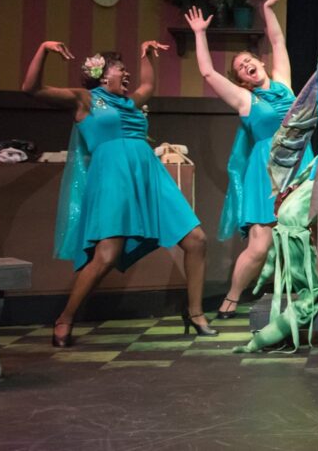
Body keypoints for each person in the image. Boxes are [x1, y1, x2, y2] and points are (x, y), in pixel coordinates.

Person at [22, 39, 216, 347]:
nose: (127, 74)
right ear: (102, 75)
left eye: (127, 70)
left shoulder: (131, 103)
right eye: (120, 69)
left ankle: (195, 314)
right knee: (107, 254)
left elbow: (148, 84)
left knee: (196, 240)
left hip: (148, 174)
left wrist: (145, 54)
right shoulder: (85, 99)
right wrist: (43, 49)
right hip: (112, 176)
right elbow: (31, 89)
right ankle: (65, 318)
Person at [185, 0, 309, 320]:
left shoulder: (284, 83)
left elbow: (278, 42)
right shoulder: (245, 99)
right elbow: (207, 72)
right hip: (266, 170)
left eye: (249, 60)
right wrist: (200, 34)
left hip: (301, 163)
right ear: (241, 80)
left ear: (260, 63)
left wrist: (268, 10)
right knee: (260, 244)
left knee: (311, 234)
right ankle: (230, 299)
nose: (246, 65)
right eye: (240, 67)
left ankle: (315, 294)